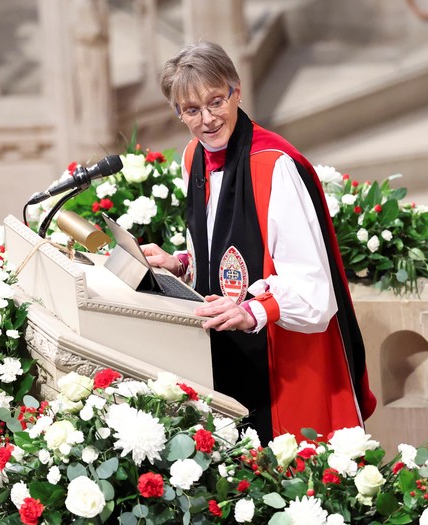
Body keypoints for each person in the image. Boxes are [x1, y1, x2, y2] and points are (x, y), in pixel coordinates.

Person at [142, 41, 376, 443]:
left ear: (237, 91)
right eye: (192, 110)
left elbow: (314, 290)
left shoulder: (274, 167)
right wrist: (180, 263)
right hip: (221, 345)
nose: (208, 120)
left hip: (279, 358)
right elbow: (222, 247)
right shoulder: (193, 156)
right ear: (178, 113)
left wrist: (253, 311)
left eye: (216, 101)